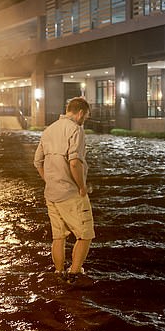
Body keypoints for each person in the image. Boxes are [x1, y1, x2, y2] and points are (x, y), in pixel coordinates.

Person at [34, 97, 94, 283]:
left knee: (58, 237)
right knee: (85, 234)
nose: (85, 120)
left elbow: (37, 162)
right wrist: (82, 187)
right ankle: (75, 273)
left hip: (51, 193)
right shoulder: (76, 130)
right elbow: (75, 163)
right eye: (86, 117)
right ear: (81, 113)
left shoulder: (49, 130)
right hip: (70, 193)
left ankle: (59, 272)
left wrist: (50, 180)